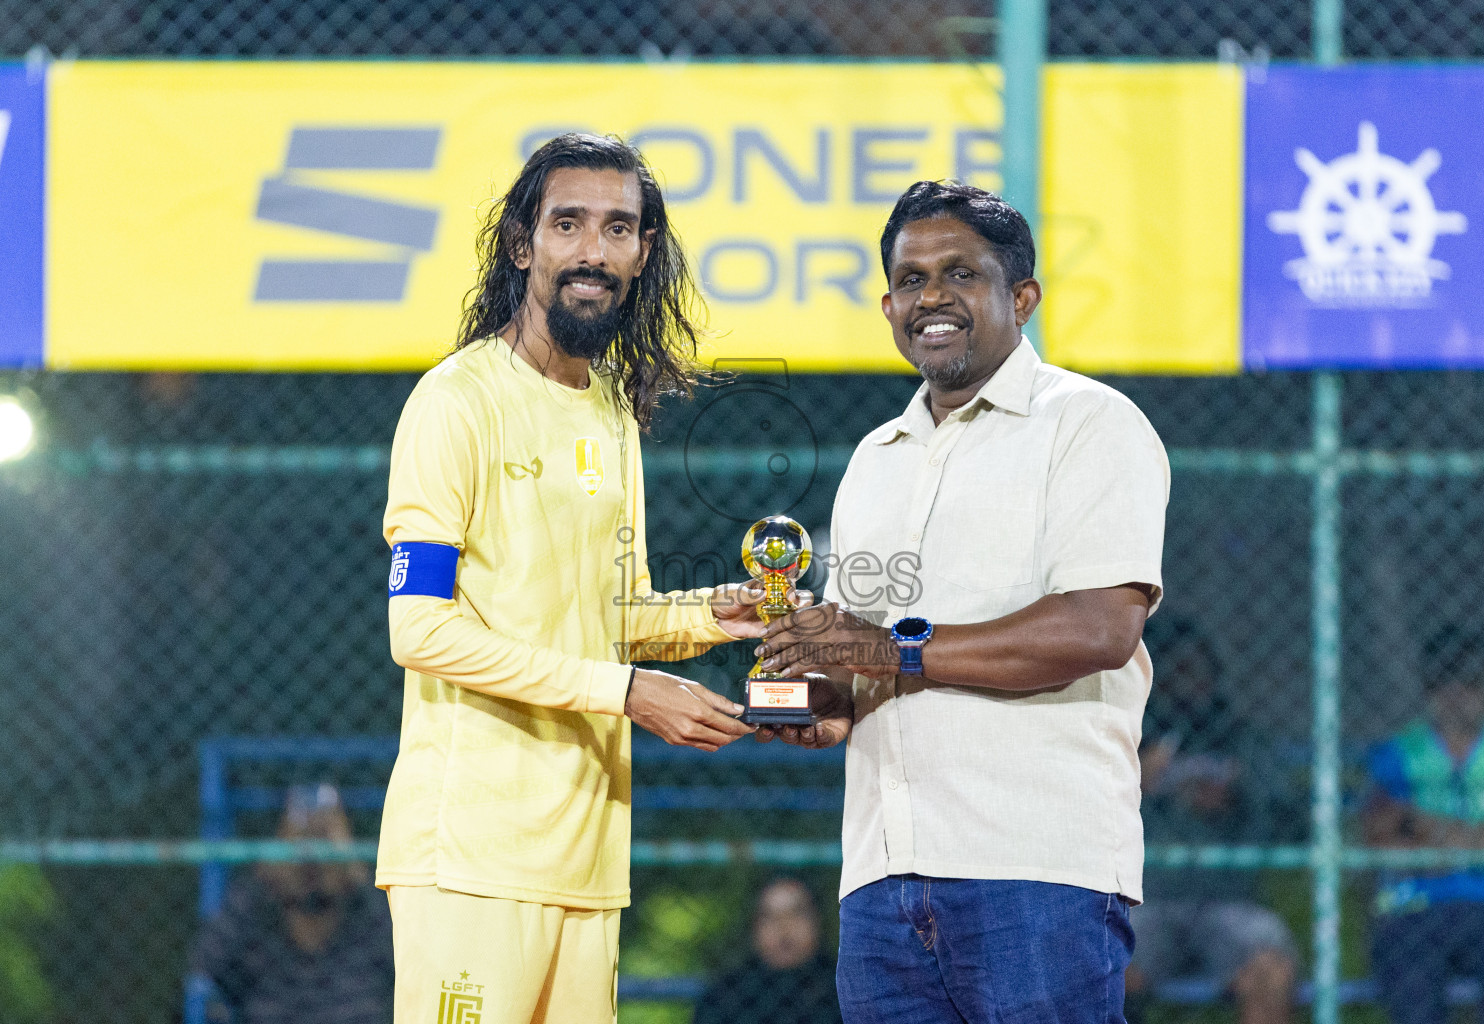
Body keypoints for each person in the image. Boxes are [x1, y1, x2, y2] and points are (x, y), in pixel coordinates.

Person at [754, 180, 1169, 1024]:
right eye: (910, 280)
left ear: (1022, 297)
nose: (931, 297)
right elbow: (860, 661)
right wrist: (809, 697)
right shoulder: (877, 458)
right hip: (880, 884)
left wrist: (884, 649)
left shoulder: (1089, 423)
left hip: (1038, 873)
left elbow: (1099, 627)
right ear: (887, 305)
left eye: (959, 274)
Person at [380, 132, 765, 1024]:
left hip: (589, 860)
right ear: (524, 244)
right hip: (473, 856)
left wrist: (717, 615)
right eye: (569, 223)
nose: (595, 250)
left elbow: (604, 615)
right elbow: (421, 632)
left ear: (642, 254)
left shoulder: (609, 407)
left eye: (620, 229)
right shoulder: (455, 402)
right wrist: (626, 691)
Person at [1125, 618, 1296, 1024]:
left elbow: (1291, 821)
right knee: (1104, 967)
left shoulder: (1243, 740)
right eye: (1176, 671)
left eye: (1196, 669)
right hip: (1146, 899)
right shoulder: (1127, 735)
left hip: (1228, 901)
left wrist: (1236, 800)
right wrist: (1134, 784)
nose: (1188, 683)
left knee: (1269, 970)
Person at [1363, 627, 1484, 1024]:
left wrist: (1422, 827)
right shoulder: (1398, 754)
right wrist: (1481, 840)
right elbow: (1383, 843)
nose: (1458, 695)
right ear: (1429, 689)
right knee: (1413, 998)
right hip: (1416, 905)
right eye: (1446, 682)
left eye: (1471, 682)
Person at [192, 784, 392, 1024]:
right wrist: (275, 859)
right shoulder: (259, 935)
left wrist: (347, 855)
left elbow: (405, 953)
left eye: (325, 853)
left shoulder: (365, 933)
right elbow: (205, 959)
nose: (312, 868)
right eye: (301, 855)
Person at [693, 878, 841, 1024]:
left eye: (797, 913)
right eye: (769, 916)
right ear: (754, 926)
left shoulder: (842, 989)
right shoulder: (726, 996)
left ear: (817, 921)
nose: (784, 927)